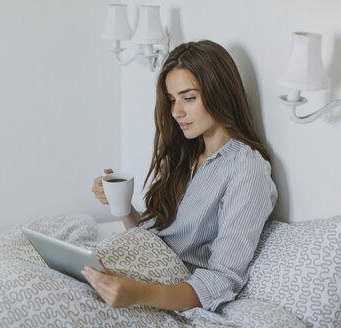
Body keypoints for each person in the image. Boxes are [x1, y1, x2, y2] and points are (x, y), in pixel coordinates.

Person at [83, 40, 277, 312]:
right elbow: (153, 239)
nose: (176, 112)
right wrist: (123, 206)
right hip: (130, 270)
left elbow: (223, 278)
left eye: (189, 98)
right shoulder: (185, 155)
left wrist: (137, 293)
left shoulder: (246, 167)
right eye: (172, 100)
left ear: (219, 93)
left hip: (158, 292)